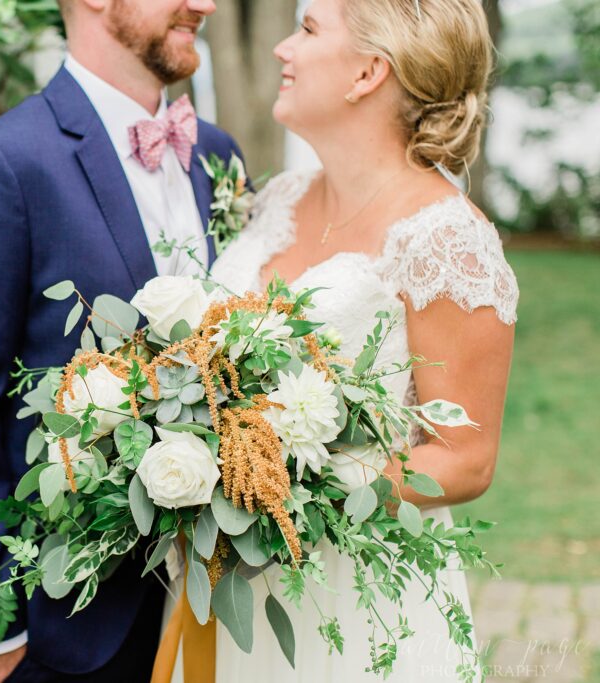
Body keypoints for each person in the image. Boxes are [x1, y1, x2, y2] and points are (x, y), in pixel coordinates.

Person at [0, 1, 245, 681]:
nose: (205, 4)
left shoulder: (216, 155)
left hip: (220, 604)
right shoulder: (2, 163)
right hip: (62, 627)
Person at [187, 0, 519, 679]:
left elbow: (466, 456)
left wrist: (301, 499)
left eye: (307, 29)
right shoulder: (275, 199)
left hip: (354, 596)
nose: (284, 49)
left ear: (369, 70)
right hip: (230, 587)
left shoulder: (446, 240)